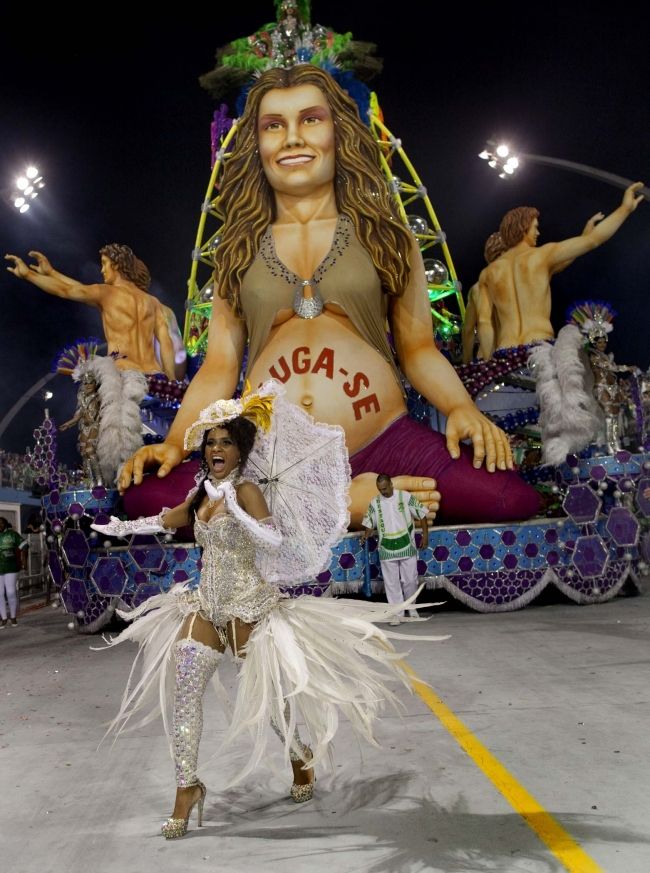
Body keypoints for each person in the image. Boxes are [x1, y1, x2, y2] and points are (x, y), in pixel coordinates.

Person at [118, 65, 541, 526]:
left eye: (311, 120)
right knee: (145, 498)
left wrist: (460, 409)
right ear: (255, 144)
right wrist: (175, 441)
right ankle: (350, 503)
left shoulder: (387, 236)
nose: (293, 138)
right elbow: (220, 366)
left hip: (384, 439)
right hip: (267, 457)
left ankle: (296, 511)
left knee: (506, 497)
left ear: (339, 132)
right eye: (274, 125)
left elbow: (417, 348)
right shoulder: (237, 249)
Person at [91, 382, 448, 838]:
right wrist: (122, 526)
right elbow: (167, 520)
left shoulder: (250, 492)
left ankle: (299, 757)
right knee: (183, 690)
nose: (217, 448)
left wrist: (239, 512)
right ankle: (187, 786)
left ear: (240, 451)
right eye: (212, 442)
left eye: (226, 442)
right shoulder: (201, 492)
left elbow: (272, 540)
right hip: (207, 604)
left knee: (270, 704)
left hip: (248, 608)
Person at [479, 189, 642, 353]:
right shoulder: (541, 256)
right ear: (523, 228)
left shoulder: (488, 273)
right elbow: (593, 241)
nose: (538, 232)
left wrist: (487, 362)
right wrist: (625, 208)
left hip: (505, 352)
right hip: (539, 349)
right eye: (535, 227)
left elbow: (484, 323)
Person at [4, 245, 176, 380]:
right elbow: (166, 344)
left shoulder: (106, 293)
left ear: (116, 265)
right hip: (155, 378)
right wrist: (172, 380)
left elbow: (66, 290)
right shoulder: (154, 303)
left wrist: (28, 275)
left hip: (123, 378)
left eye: (104, 264)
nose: (102, 270)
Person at [360, 474, 428, 625]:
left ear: (391, 484)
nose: (383, 492)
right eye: (380, 489)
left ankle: (412, 608)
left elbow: (422, 514)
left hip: (407, 546)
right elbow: (370, 522)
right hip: (386, 548)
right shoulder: (375, 503)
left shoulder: (405, 497)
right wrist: (366, 535)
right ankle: (396, 613)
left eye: (384, 488)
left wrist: (425, 535)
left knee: (410, 580)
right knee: (391, 583)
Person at [462, 233, 507, 362]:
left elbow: (468, 330)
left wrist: (466, 362)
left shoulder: (476, 288)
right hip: (516, 353)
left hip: (486, 357)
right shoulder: (518, 285)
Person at [0, 517, 27, 628]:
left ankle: (13, 616)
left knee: (10, 592)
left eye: (1, 523)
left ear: (5, 524)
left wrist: (24, 560)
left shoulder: (12, 534)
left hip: (11, 567)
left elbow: (24, 545)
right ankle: (3, 618)